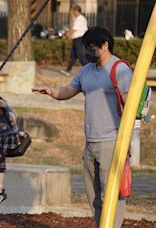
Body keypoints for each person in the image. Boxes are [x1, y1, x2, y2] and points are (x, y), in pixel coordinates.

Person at [32, 27, 132, 227]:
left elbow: (129, 104)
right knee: (94, 195)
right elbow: (68, 91)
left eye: (91, 48)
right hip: (90, 143)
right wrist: (51, 91)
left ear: (105, 46)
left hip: (111, 141)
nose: (86, 52)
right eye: (85, 47)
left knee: (111, 194)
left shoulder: (119, 69)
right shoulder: (86, 71)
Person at [60, 5, 89, 76]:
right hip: (79, 38)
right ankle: (68, 70)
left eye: (73, 12)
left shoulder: (79, 19)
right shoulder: (83, 18)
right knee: (73, 56)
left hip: (79, 38)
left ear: (76, 11)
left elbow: (74, 29)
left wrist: (66, 35)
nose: (73, 14)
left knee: (80, 55)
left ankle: (90, 69)